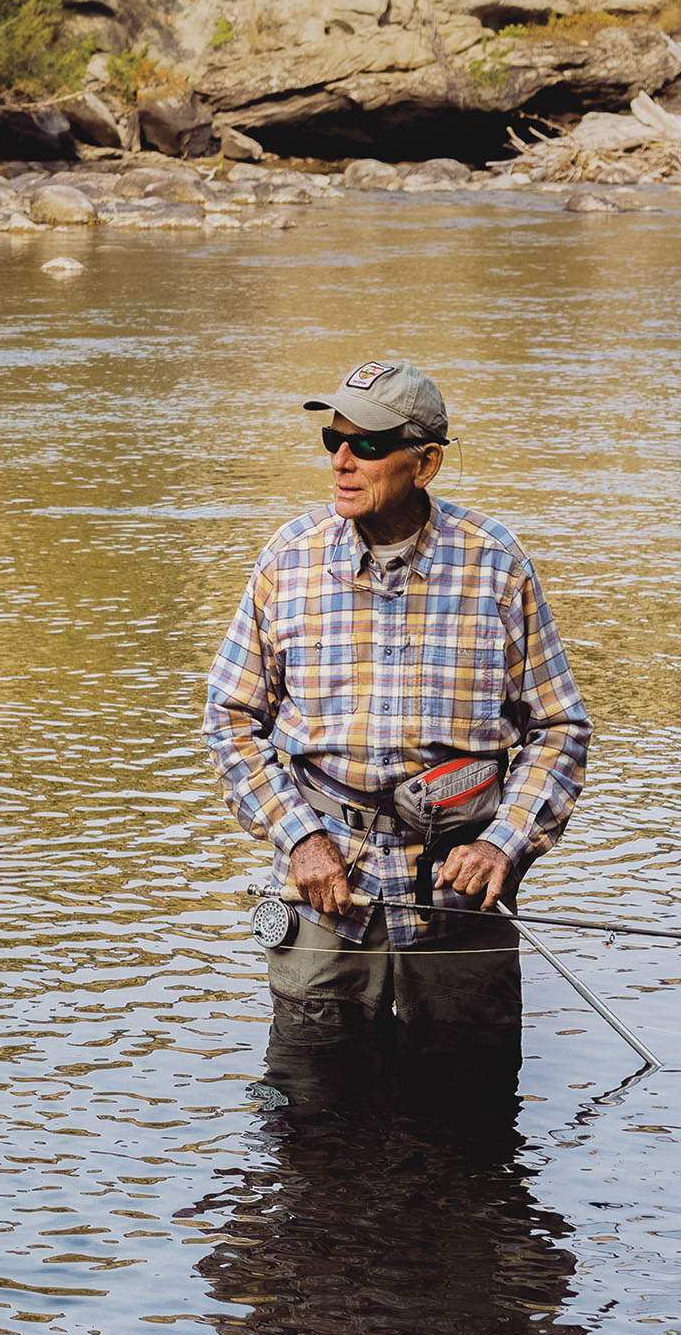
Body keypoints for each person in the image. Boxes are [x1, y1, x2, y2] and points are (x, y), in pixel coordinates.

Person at [200, 357, 589, 1065]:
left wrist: (502, 843)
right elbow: (230, 717)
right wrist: (299, 840)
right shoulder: (287, 559)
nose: (343, 461)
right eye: (334, 441)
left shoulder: (497, 563)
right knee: (312, 1119)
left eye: (369, 445)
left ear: (427, 462)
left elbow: (558, 728)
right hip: (324, 890)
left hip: (458, 897)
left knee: (469, 1119)